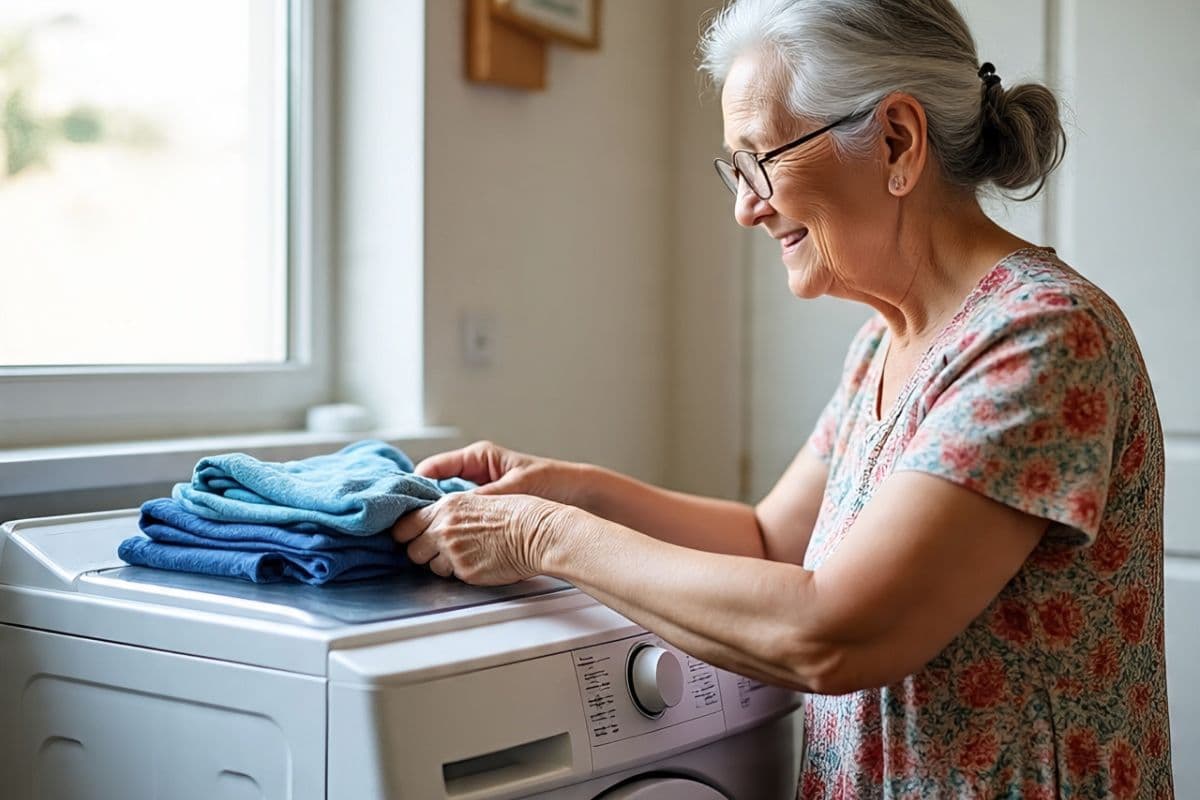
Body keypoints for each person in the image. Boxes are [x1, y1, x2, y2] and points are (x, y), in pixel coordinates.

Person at [393, 0, 1173, 796]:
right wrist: (576, 489)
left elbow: (833, 632)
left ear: (897, 143)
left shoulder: (1043, 338)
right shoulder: (885, 342)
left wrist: (544, 537)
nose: (745, 206)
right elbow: (772, 540)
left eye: (761, 159)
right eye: (737, 169)